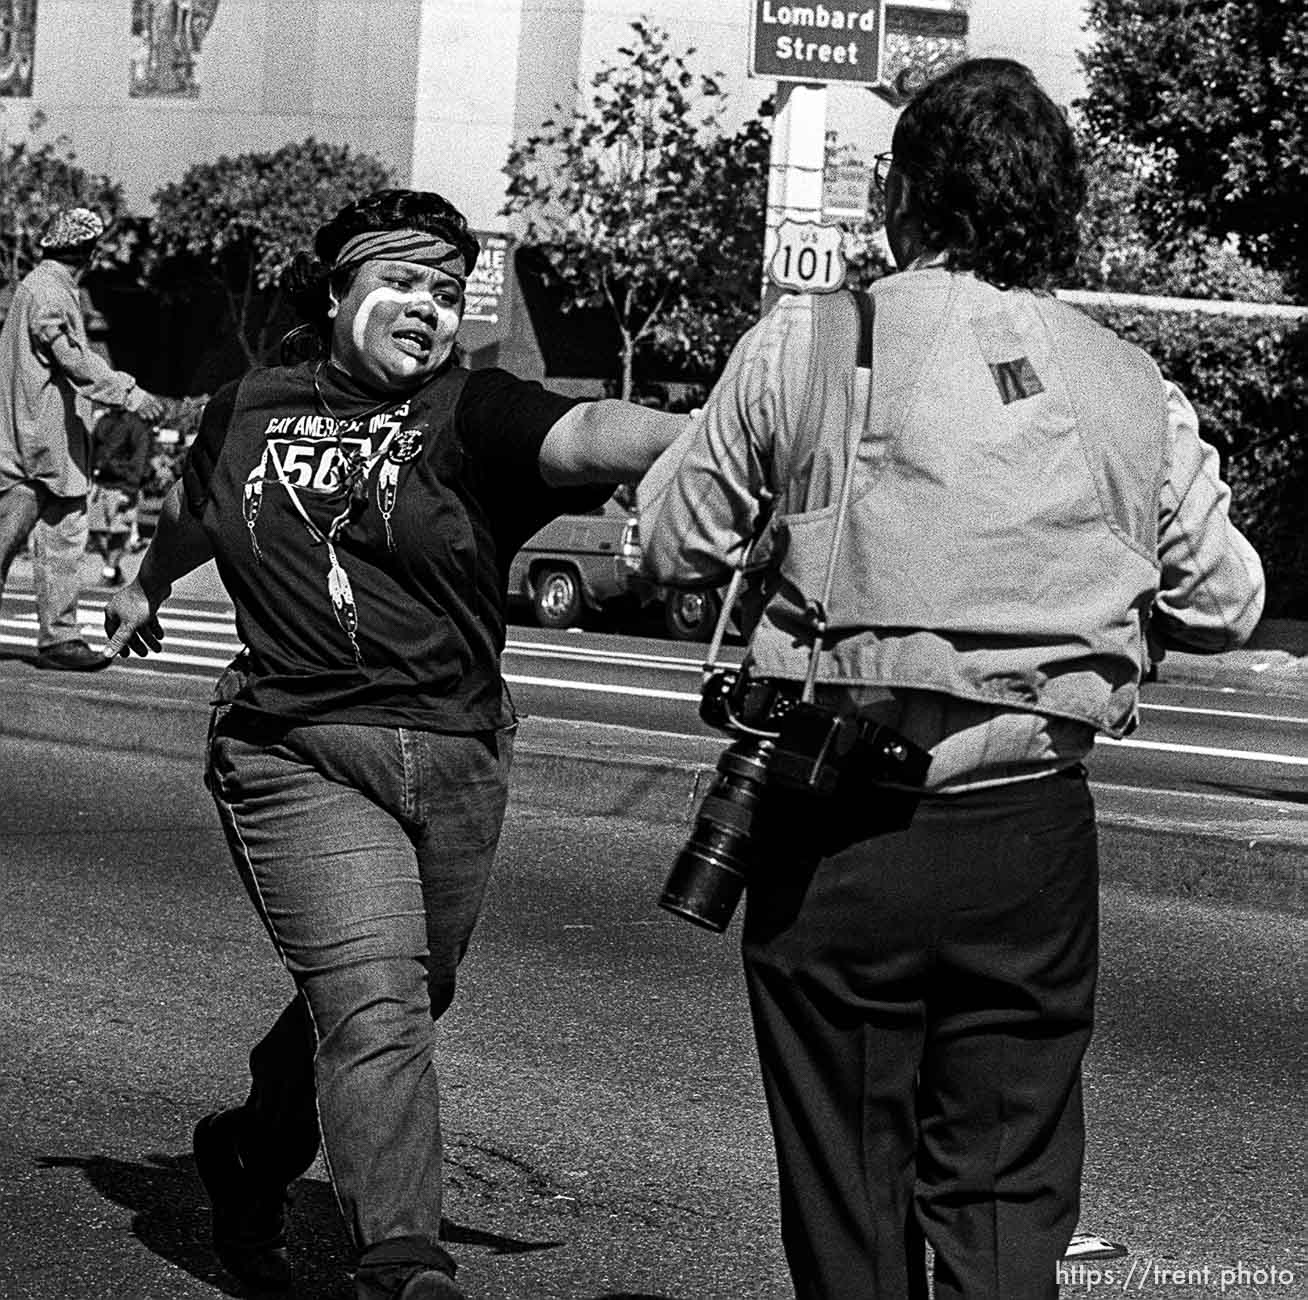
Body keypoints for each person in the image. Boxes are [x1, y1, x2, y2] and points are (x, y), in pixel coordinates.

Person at [636, 59, 1264, 1300]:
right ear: (1057, 209)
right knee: (1003, 1191)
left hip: (838, 826)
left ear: (900, 199)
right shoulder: (1128, 384)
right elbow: (1225, 599)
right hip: (1028, 836)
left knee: (850, 1188)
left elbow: (673, 545)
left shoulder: (807, 347)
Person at [102, 188, 688, 1300]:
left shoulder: (472, 413)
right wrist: (146, 584)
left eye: (448, 293)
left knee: (400, 996)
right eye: (402, 283)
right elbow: (197, 505)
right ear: (339, 293)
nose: (428, 310)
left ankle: (249, 1151)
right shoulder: (250, 406)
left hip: (458, 755)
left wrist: (711, 435)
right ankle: (403, 1263)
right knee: (376, 1000)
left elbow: (590, 431)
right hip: (293, 748)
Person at [0, 206, 165, 669]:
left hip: (52, 445)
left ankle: (60, 638)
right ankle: (60, 637)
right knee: (12, 540)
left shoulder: (40, 286)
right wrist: (128, 391)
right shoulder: (49, 292)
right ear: (88, 252)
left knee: (64, 539)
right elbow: (71, 359)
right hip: (35, 447)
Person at [87, 405, 156, 585]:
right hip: (100, 484)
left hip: (122, 485)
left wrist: (130, 489)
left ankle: (109, 571)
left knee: (119, 530)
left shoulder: (135, 425)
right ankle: (114, 568)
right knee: (95, 530)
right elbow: (92, 449)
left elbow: (139, 458)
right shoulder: (104, 421)